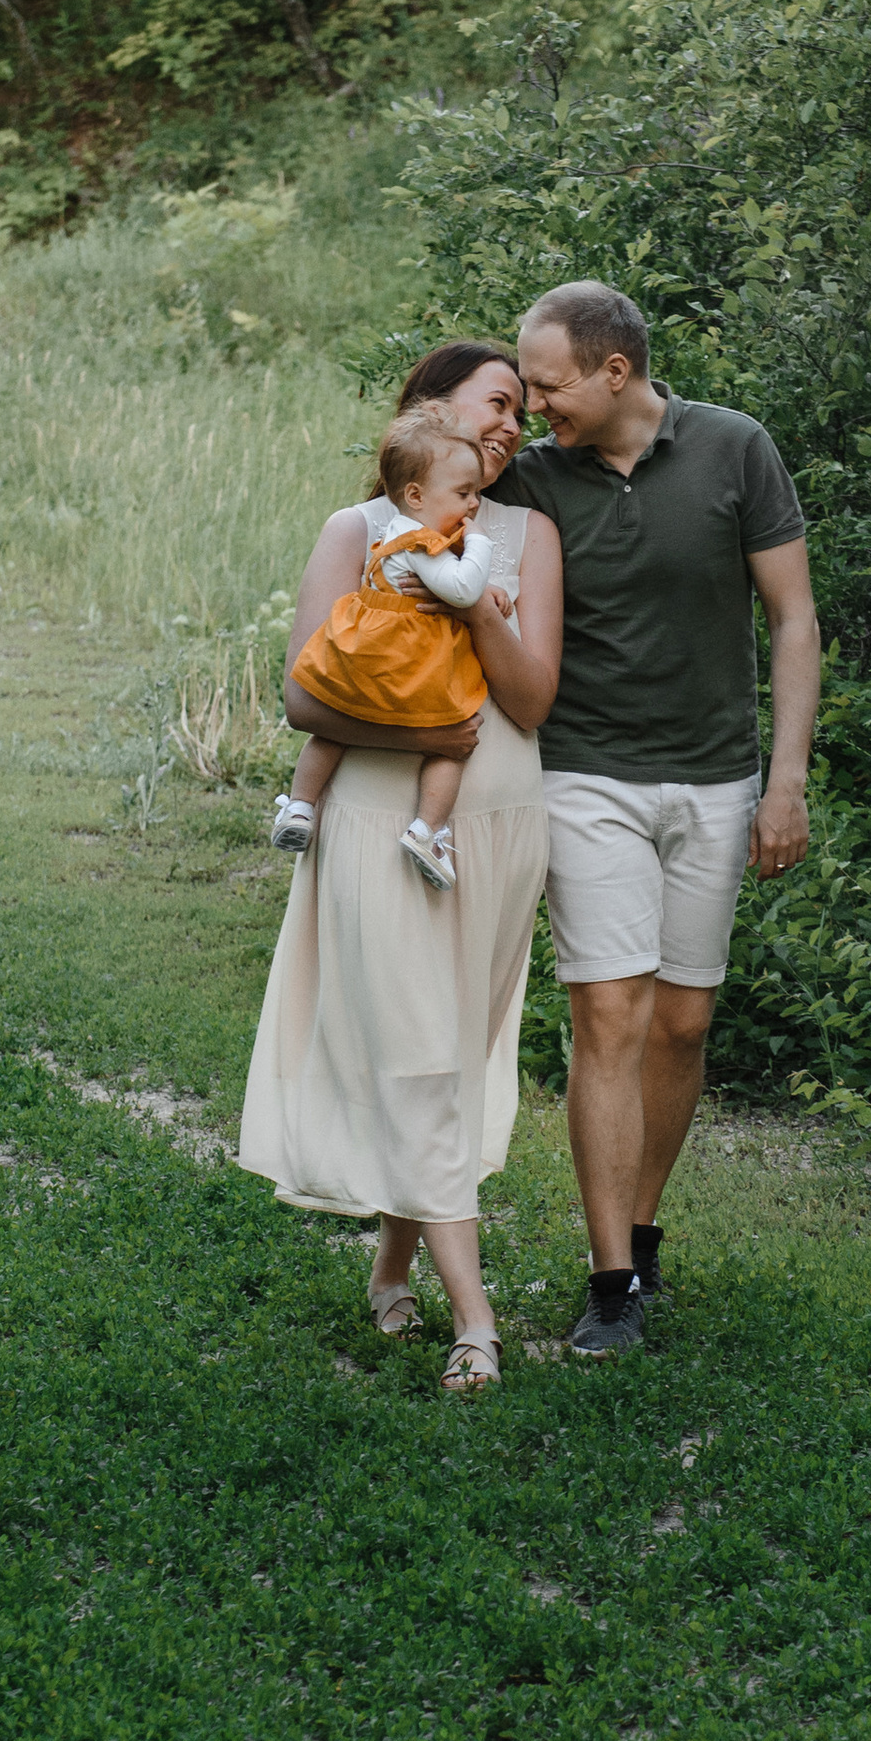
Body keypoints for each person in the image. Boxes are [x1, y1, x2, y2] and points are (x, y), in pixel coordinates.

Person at [502, 278, 819, 1357]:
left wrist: (785, 781)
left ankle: (641, 1237)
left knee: (683, 1022)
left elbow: (793, 620)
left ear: (616, 370)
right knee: (610, 1015)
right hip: (584, 775)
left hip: (717, 781)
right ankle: (609, 1284)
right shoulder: (533, 478)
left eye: (547, 386)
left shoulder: (735, 448)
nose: (534, 405)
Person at [237, 342, 562, 1392]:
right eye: (495, 402)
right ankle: (477, 1321)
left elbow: (530, 701)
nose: (510, 425)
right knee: (417, 1052)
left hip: (500, 823)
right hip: (385, 825)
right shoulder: (359, 530)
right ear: (431, 407)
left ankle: (391, 1265)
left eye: (521, 412)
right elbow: (304, 696)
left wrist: (473, 602)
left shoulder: (527, 536)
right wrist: (419, 726)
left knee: (446, 1057)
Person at [270, 410, 500, 891]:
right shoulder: (421, 542)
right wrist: (480, 546)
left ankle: (300, 806)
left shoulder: (395, 532)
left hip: (366, 657)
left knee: (336, 727)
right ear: (416, 496)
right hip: (410, 663)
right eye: (463, 493)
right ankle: (427, 830)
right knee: (453, 738)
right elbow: (461, 589)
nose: (474, 504)